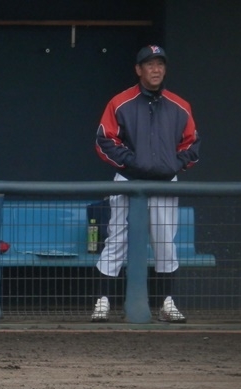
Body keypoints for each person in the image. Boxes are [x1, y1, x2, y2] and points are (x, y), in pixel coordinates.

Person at [92, 45, 201, 323]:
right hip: (129, 182)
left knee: (164, 241)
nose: (156, 69)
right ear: (138, 70)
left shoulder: (180, 105)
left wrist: (172, 165)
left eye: (160, 64)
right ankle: (103, 301)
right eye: (150, 64)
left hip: (165, 183)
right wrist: (133, 163)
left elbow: (192, 145)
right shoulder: (121, 102)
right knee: (117, 238)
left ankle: (167, 303)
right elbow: (104, 140)